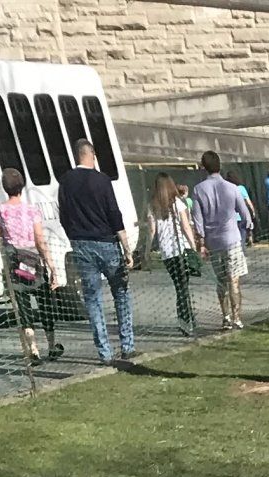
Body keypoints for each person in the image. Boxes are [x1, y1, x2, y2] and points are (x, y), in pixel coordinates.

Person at [56, 138, 136, 365]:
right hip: (106, 241)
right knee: (120, 291)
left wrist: (73, 235)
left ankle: (105, 352)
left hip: (81, 243)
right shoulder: (102, 180)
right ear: (92, 155)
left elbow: (63, 215)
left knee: (92, 298)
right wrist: (126, 247)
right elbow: (114, 213)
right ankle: (127, 345)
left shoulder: (66, 182)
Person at [0, 166, 63, 364]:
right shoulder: (32, 211)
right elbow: (40, 239)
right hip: (33, 260)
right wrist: (51, 265)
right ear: (22, 186)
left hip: (14, 262)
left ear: (4, 187)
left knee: (23, 307)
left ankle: (33, 349)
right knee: (44, 303)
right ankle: (51, 344)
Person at [191, 149, 252, 331]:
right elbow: (245, 214)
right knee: (234, 280)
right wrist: (248, 229)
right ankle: (237, 317)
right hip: (232, 239)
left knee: (221, 280)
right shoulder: (232, 188)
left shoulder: (199, 189)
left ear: (204, 167)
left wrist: (201, 242)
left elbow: (197, 219)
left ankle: (225, 317)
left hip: (213, 241)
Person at [144, 173, 199, 337]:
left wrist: (147, 251)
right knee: (183, 287)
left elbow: (151, 230)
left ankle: (187, 318)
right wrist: (193, 245)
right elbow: (185, 226)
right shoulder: (177, 203)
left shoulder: (153, 205)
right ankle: (186, 320)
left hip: (167, 253)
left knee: (180, 286)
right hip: (180, 249)